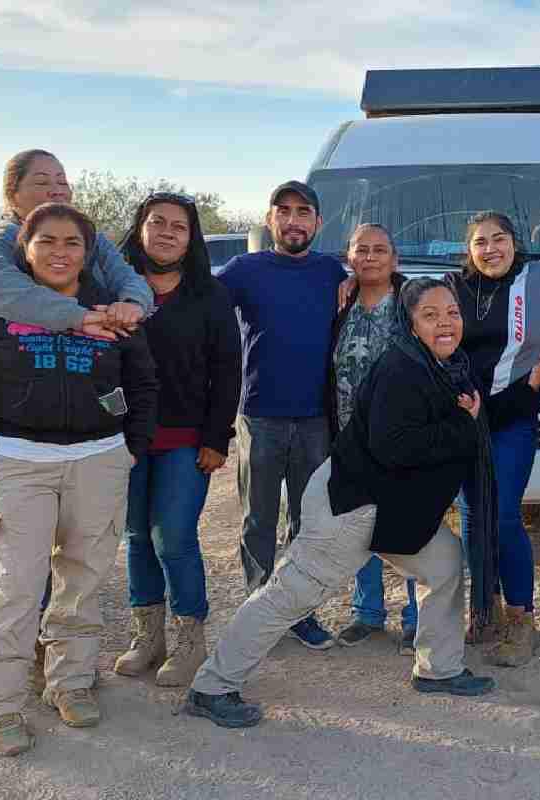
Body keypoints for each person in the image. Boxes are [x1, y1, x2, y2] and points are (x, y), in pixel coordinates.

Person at [184, 279, 497, 729]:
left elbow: (469, 417)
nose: (445, 322)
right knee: (291, 593)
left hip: (395, 509)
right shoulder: (402, 369)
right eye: (430, 315)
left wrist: (522, 391)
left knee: (444, 561)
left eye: (452, 312)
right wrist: (463, 426)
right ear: (411, 324)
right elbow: (394, 447)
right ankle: (211, 687)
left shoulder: (446, 367)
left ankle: (438, 669)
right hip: (352, 506)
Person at [0, 203, 158, 756]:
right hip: (18, 462)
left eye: (72, 243)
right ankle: (1, 705)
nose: (60, 252)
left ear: (88, 253)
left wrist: (129, 449)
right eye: (47, 241)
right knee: (13, 586)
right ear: (25, 248)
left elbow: (143, 382)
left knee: (82, 582)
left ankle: (71, 683)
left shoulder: (110, 309)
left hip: (99, 461)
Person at [443, 211, 540, 667]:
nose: (490, 249)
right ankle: (484, 611)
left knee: (504, 515)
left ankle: (521, 620)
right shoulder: (453, 286)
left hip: (514, 417)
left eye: (499, 239)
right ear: (468, 249)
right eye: (480, 242)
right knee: (472, 515)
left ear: (515, 241)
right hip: (463, 420)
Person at [111, 193, 242, 687]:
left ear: (191, 239)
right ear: (140, 229)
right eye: (157, 222)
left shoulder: (209, 295)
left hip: (186, 438)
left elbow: (227, 370)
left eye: (179, 226)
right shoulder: (113, 290)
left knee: (174, 536)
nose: (167, 232)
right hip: (124, 440)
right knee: (136, 537)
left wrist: (217, 438)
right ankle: (148, 637)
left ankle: (191, 640)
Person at [216, 180, 347, 650]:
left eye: (303, 212)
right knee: (258, 520)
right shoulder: (243, 270)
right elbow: (200, 312)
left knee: (308, 522)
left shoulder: (332, 272)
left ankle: (298, 612)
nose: (293, 220)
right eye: (284, 211)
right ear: (270, 219)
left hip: (315, 419)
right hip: (259, 415)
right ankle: (259, 609)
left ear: (318, 222)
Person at [328, 224, 420, 654]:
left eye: (379, 250)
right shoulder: (340, 302)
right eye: (361, 250)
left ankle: (417, 619)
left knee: (409, 525)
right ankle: (367, 614)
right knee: (359, 525)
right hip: (351, 438)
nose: (370, 257)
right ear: (349, 258)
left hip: (403, 438)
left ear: (394, 259)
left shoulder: (411, 302)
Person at [0, 149, 153, 340]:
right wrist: (78, 316)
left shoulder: (93, 239)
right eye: (42, 182)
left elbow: (128, 278)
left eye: (62, 182)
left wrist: (132, 304)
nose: (57, 190)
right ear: (13, 194)